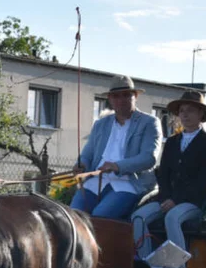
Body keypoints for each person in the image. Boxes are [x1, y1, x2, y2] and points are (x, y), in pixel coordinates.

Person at [131, 90, 206, 268]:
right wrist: (166, 196)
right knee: (138, 217)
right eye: (182, 111)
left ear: (201, 115)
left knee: (173, 217)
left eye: (190, 111)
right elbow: (163, 174)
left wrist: (176, 200)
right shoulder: (172, 142)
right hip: (167, 198)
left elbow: (203, 179)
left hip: (193, 202)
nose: (185, 115)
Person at [70, 75, 163, 220]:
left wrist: (117, 166)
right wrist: (82, 164)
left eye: (126, 95)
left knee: (99, 218)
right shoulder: (100, 124)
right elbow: (88, 154)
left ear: (135, 96)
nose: (121, 100)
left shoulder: (150, 122)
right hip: (97, 181)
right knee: (74, 217)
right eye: (116, 96)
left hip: (130, 183)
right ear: (110, 99)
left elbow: (149, 158)